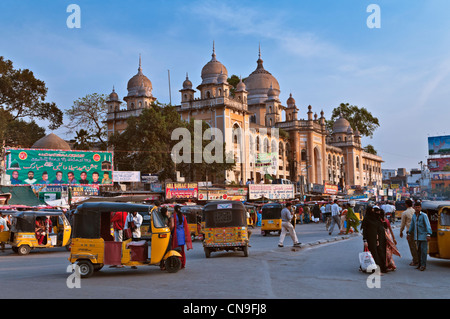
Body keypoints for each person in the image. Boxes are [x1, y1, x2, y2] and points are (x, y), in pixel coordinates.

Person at [361, 205, 387, 273]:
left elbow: (380, 229)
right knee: (374, 254)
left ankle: (382, 268)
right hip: (370, 240)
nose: (374, 212)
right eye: (372, 211)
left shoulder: (376, 218)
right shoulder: (367, 219)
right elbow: (365, 231)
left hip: (379, 239)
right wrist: (365, 240)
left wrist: (378, 239)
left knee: (380, 253)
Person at [407, 201, 432, 271]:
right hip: (417, 237)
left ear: (420, 208)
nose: (417, 209)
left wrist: (428, 234)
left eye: (418, 207)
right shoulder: (414, 216)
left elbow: (428, 225)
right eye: (416, 207)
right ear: (414, 208)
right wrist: (409, 233)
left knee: (423, 251)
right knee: (418, 251)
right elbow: (412, 225)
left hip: (423, 236)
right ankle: (420, 264)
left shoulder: (424, 215)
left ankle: (423, 265)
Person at [399, 199, 419, 266]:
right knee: (417, 245)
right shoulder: (415, 211)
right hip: (418, 230)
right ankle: (418, 259)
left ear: (406, 205)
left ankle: (415, 260)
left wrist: (401, 231)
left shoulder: (405, 213)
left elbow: (403, 224)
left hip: (410, 231)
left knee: (412, 246)